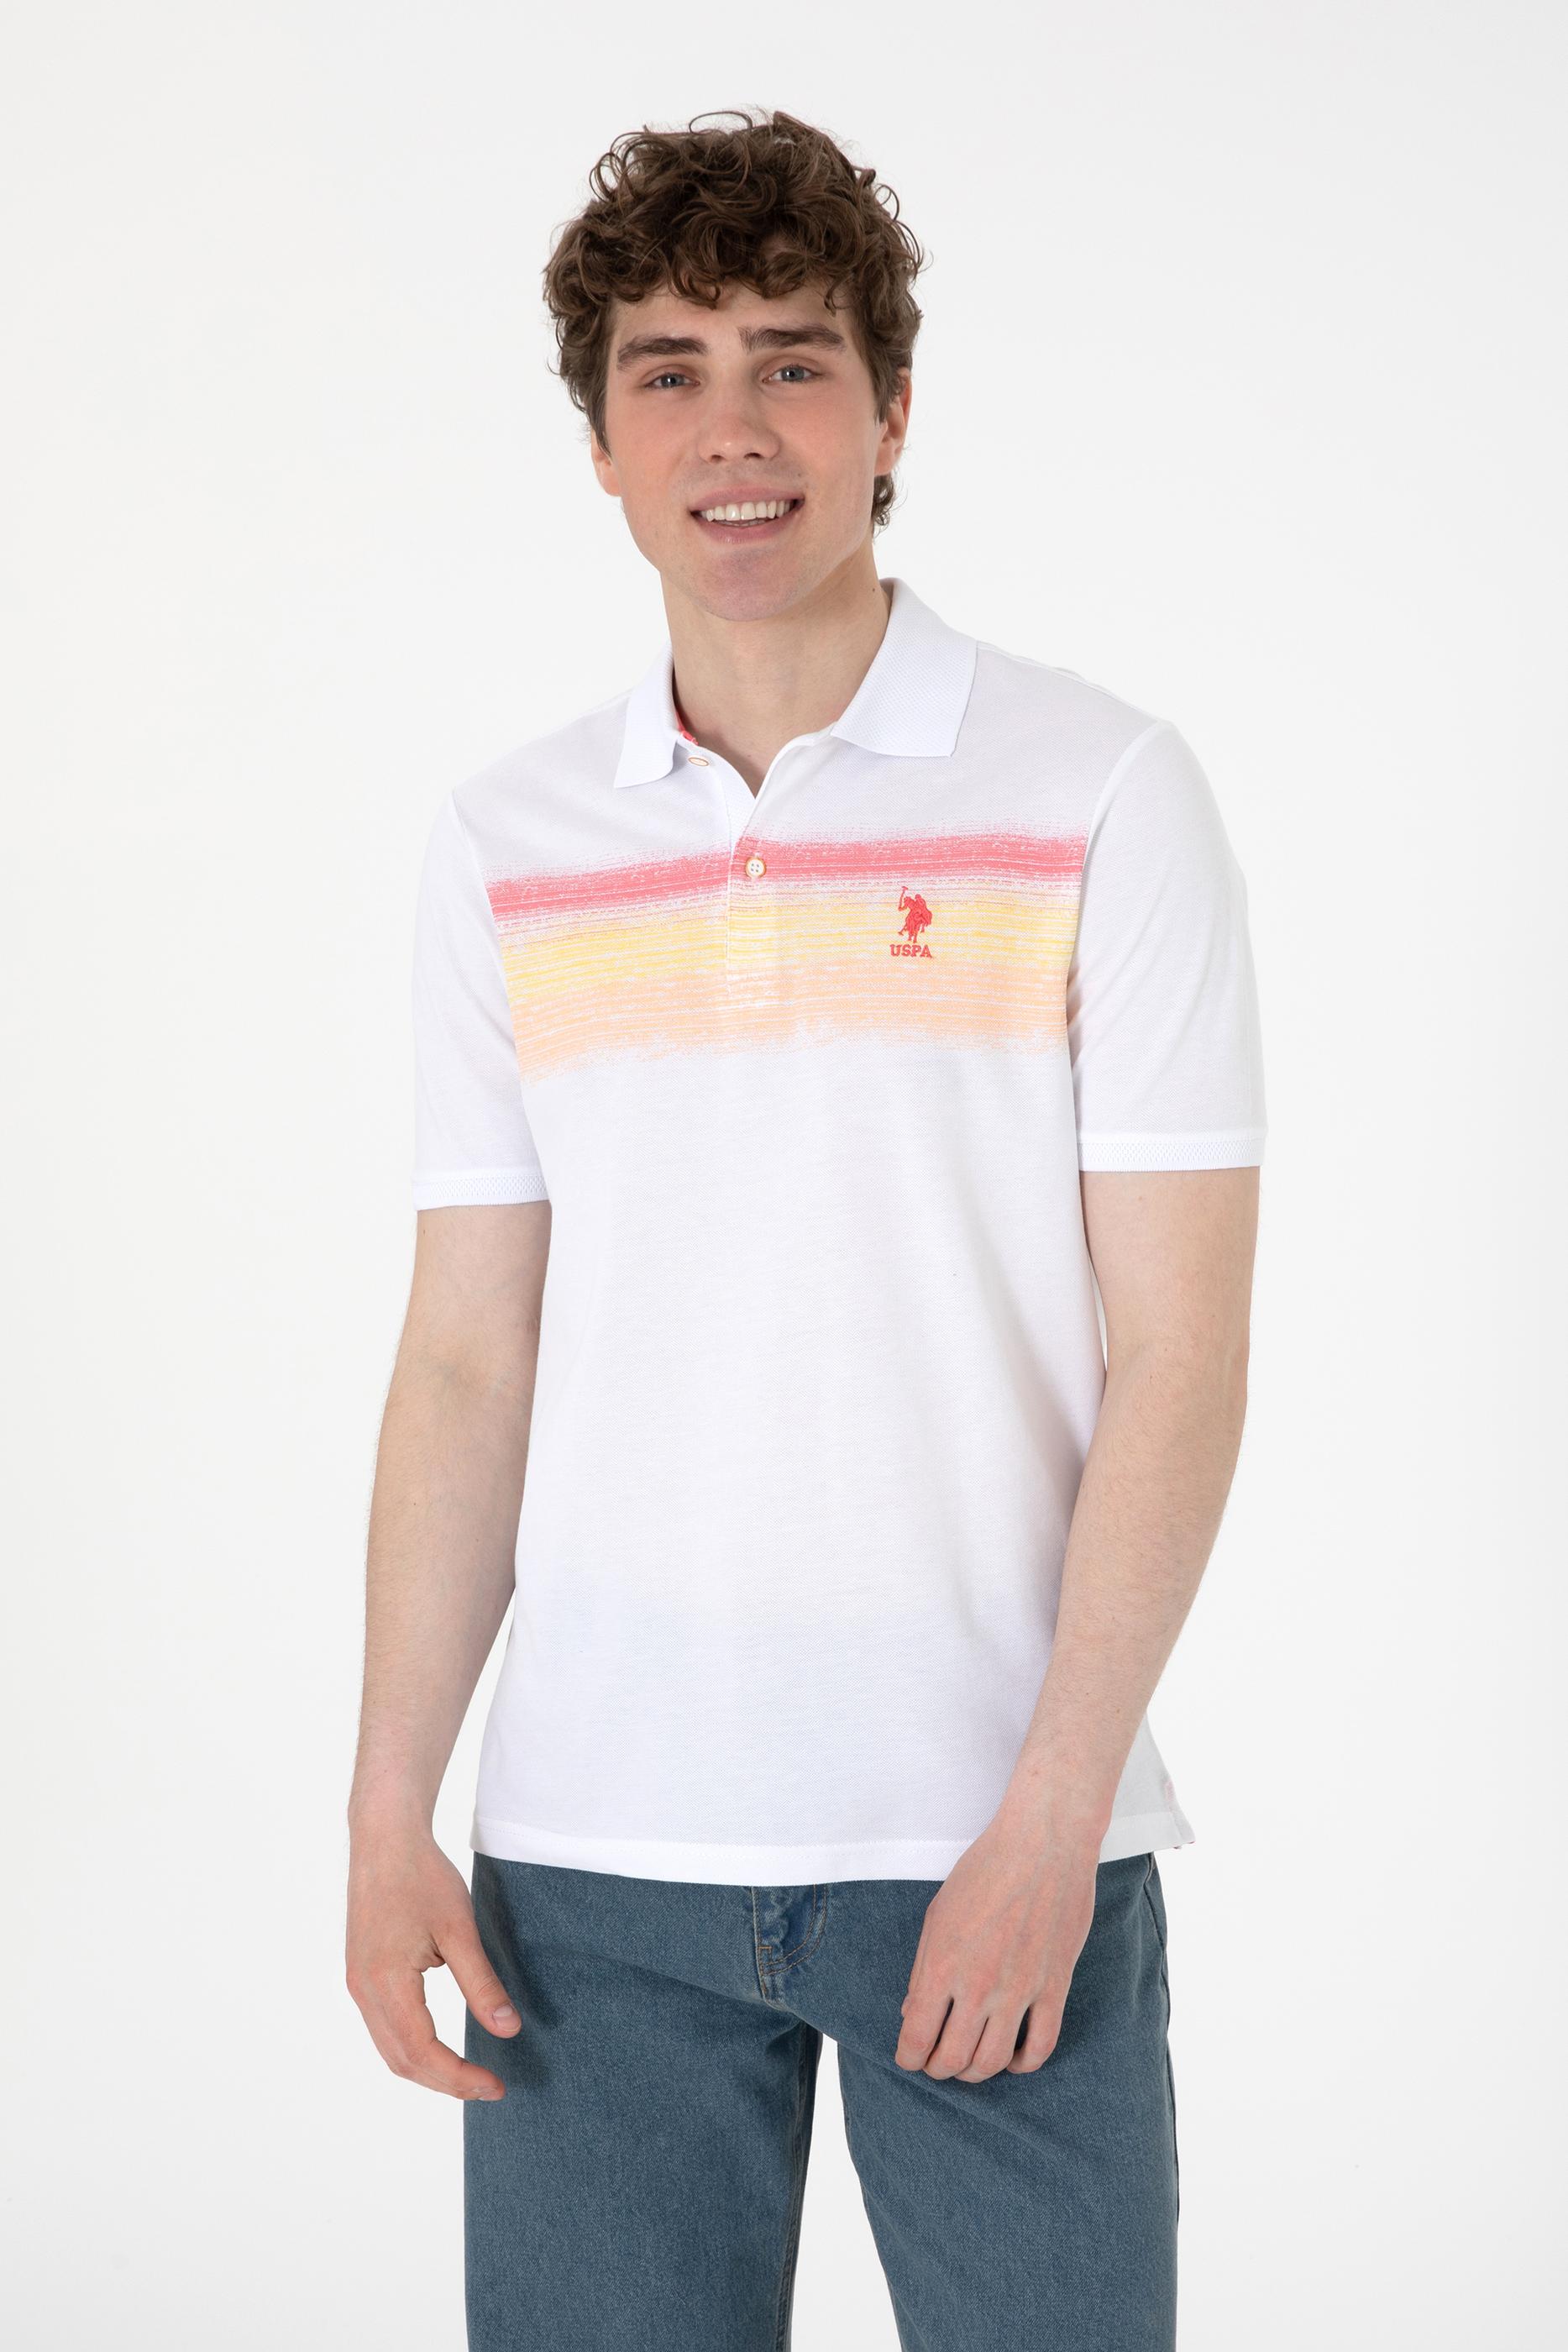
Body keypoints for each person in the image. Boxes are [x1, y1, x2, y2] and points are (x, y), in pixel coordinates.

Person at [346, 105, 1265, 2352]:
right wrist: (387, 1808)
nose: (732, 429)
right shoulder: (509, 843)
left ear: (892, 412)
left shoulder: (1096, 791)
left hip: (996, 1848)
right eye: (667, 371)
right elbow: (466, 1355)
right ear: (602, 442)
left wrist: (1053, 1818)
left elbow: (1182, 1352)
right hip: (591, 1882)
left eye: (792, 362)